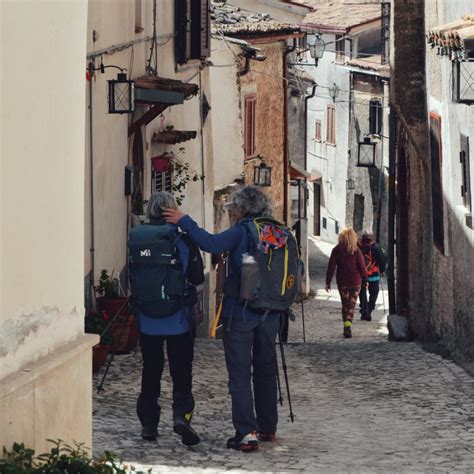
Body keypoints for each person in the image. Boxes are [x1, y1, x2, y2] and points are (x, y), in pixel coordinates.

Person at [163, 186, 280, 453]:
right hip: (271, 313)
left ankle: (246, 433)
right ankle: (267, 427)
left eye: (233, 209)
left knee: (239, 373)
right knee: (265, 369)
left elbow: (211, 244)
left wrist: (184, 220)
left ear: (243, 209)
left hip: (242, 312)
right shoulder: (275, 230)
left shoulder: (242, 230)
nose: (232, 213)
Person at [130, 192, 204, 446]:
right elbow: (197, 277)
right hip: (178, 318)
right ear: (173, 210)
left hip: (148, 316)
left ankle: (148, 425)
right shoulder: (182, 239)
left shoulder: (137, 237)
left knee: (151, 370)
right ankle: (181, 417)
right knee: (181, 371)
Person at [325, 228, 368, 339]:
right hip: (355, 281)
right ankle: (347, 325)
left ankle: (346, 325)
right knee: (351, 304)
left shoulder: (337, 249)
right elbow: (362, 267)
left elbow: (331, 267)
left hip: (342, 281)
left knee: (345, 304)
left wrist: (328, 282)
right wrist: (366, 280)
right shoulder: (356, 250)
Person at [358, 230, 387, 321]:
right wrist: (382, 270)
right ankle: (369, 310)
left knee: (362, 292)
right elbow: (381, 260)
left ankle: (364, 310)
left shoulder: (358, 246)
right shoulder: (376, 247)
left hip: (361, 274)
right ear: (372, 237)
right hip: (373, 273)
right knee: (374, 292)